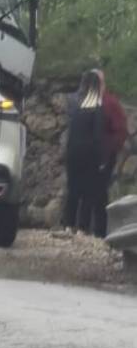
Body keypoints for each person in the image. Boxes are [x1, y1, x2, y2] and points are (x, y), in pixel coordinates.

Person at [63, 70, 109, 234]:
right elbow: (97, 136)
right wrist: (102, 159)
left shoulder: (74, 102)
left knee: (73, 189)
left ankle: (68, 224)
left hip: (72, 152)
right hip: (89, 154)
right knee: (88, 191)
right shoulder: (96, 106)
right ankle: (82, 226)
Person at [94, 69, 128, 237]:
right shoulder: (87, 103)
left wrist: (110, 150)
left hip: (105, 156)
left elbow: (121, 129)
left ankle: (100, 232)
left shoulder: (110, 103)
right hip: (89, 156)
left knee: (100, 193)